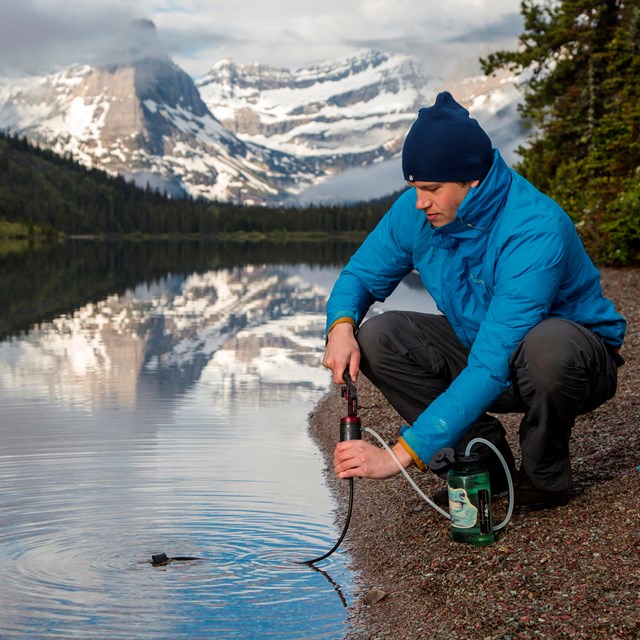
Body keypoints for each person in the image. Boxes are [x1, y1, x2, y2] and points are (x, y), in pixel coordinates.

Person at [322, 91, 626, 510]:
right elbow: (359, 276)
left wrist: (398, 456)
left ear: (473, 180)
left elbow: (490, 363)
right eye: (413, 187)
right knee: (377, 336)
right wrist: (340, 325)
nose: (419, 201)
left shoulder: (534, 228)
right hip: (484, 344)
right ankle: (483, 459)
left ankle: (544, 473)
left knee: (549, 350)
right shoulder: (418, 213)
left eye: (431, 188)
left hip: (571, 364)